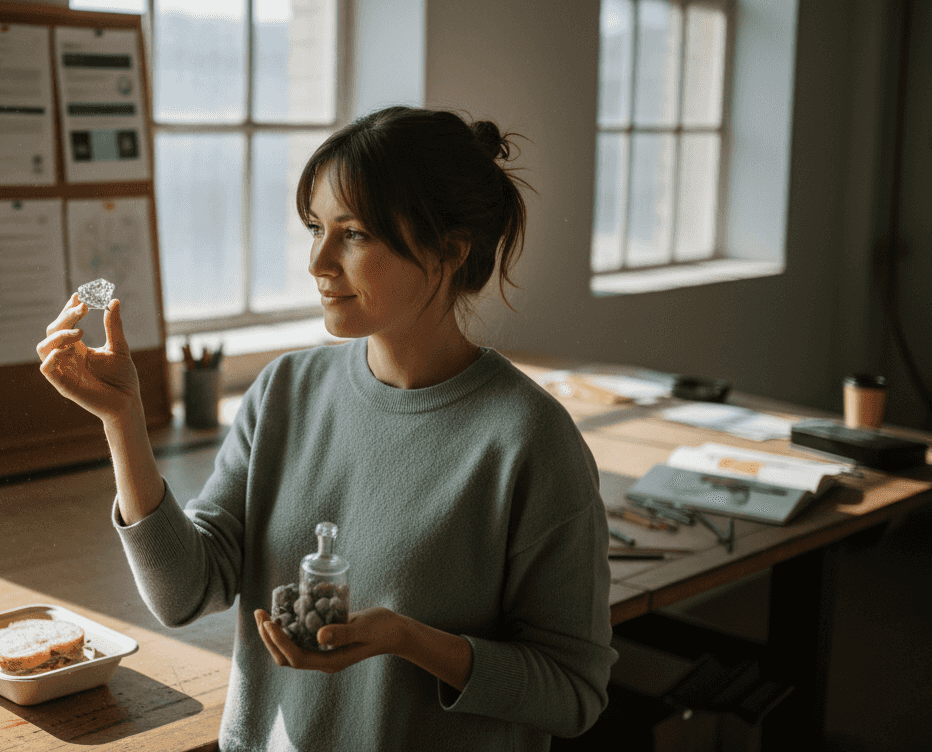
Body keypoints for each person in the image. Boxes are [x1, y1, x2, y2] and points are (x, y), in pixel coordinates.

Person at [38, 106, 616, 751]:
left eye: (355, 233)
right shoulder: (285, 391)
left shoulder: (530, 440)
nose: (318, 261)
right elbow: (184, 591)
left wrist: (409, 641)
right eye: (315, 227)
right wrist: (124, 421)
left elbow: (574, 693)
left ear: (451, 250)